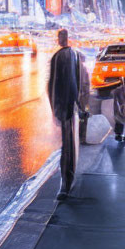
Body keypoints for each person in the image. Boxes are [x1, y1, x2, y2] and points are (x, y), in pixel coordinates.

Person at [48, 28, 88, 200]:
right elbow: (81, 82)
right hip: (71, 106)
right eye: (59, 36)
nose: (60, 39)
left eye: (62, 36)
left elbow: (54, 85)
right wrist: (81, 104)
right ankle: (67, 181)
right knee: (70, 144)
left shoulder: (60, 57)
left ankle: (66, 184)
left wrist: (56, 109)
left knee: (67, 146)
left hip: (66, 107)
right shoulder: (75, 55)